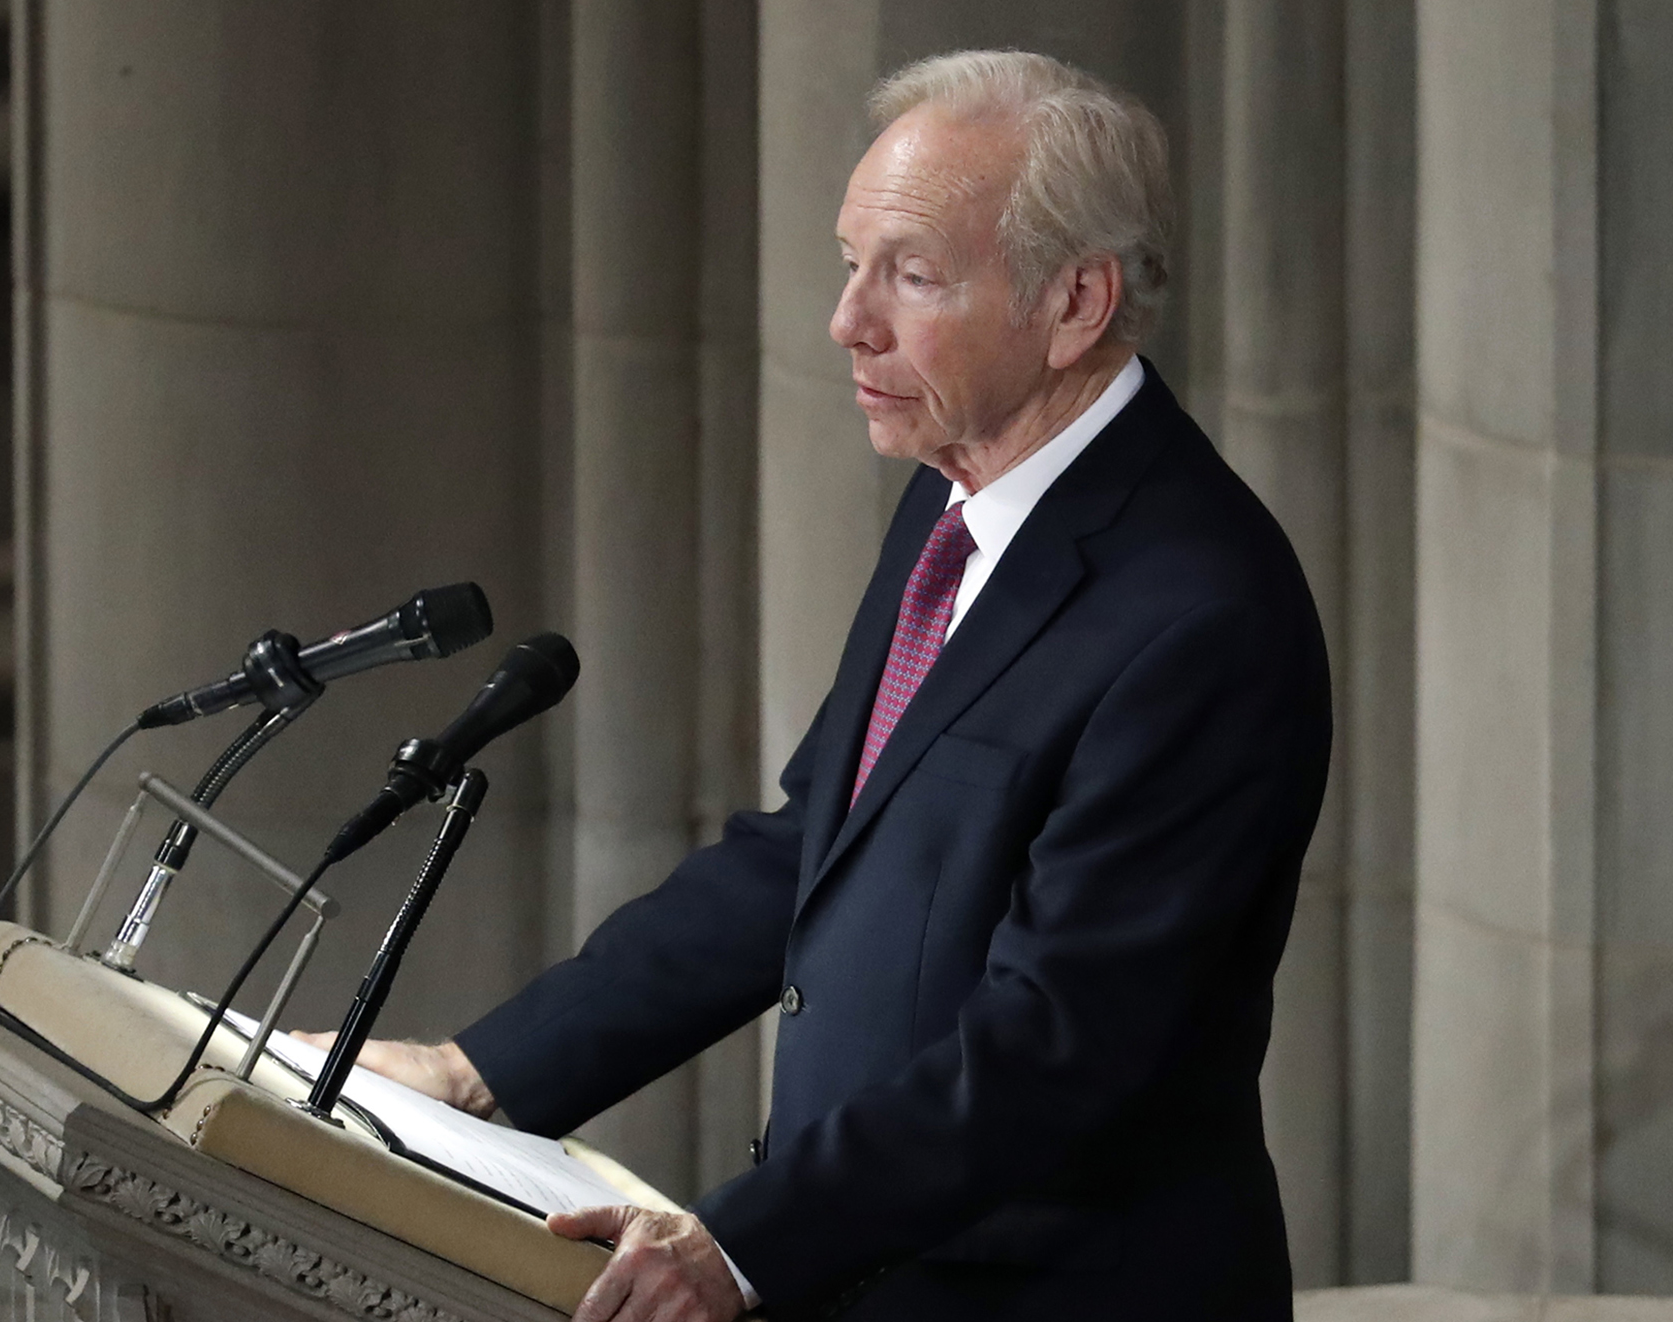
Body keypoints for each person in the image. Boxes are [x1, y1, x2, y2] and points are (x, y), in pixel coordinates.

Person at [325, 49, 1332, 1322]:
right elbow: (809, 850)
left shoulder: (1200, 612)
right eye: (848, 263)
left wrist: (736, 1248)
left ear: (1075, 302)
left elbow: (1059, 1042)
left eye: (910, 276)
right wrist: (481, 1073)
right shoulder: (952, 500)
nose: (847, 320)